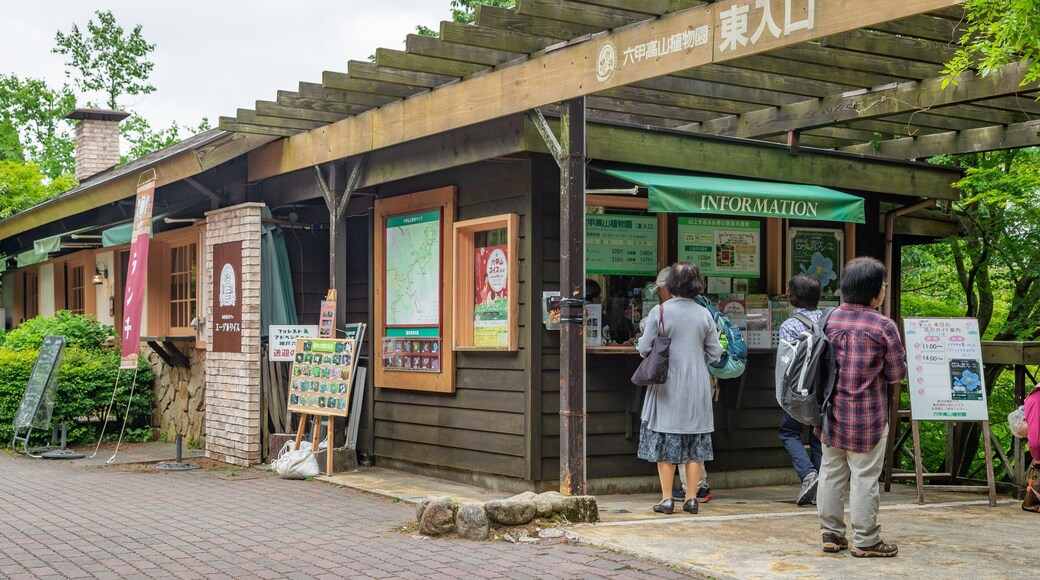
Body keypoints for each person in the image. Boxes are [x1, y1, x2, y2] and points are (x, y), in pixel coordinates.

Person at [817, 257, 907, 558]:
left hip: (829, 413)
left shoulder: (828, 319)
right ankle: (866, 539)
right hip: (867, 416)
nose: (884, 290)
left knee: (830, 471)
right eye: (883, 285)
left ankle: (831, 534)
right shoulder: (883, 326)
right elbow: (896, 374)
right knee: (864, 476)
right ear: (874, 290)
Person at [636, 262, 722, 515]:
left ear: (671, 283)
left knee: (664, 439)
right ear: (697, 283)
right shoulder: (703, 313)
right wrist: (698, 361)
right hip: (697, 382)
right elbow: (715, 351)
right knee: (695, 442)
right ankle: (692, 498)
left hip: (667, 382)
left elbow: (643, 348)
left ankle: (666, 499)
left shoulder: (660, 311)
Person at [777, 274, 824, 506]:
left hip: (798, 390)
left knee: (789, 432)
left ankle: (808, 475)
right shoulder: (829, 320)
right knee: (819, 436)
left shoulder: (789, 325)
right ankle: (822, 486)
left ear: (792, 297)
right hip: (824, 390)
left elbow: (786, 364)